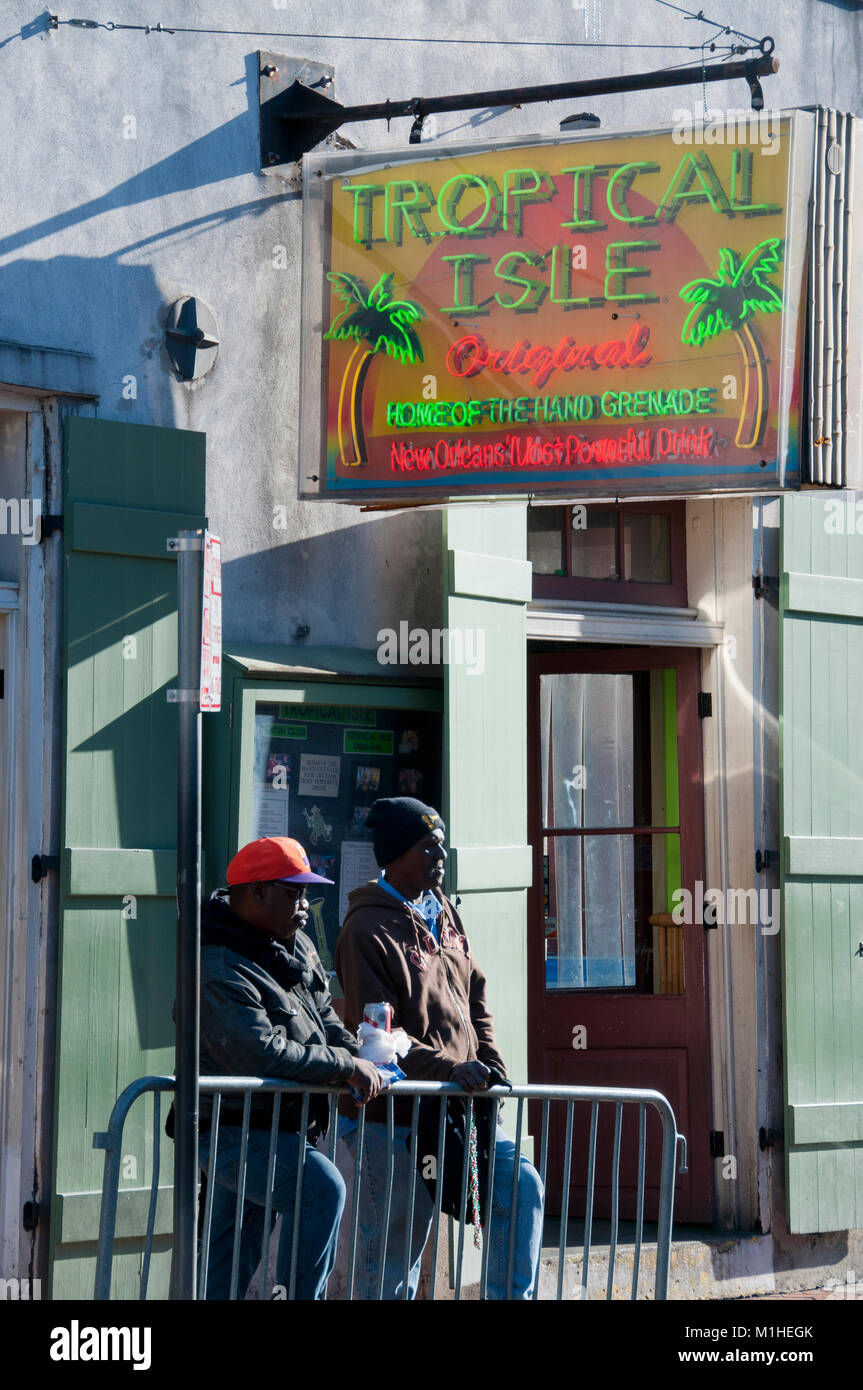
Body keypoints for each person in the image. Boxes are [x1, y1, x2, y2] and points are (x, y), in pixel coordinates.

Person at [334, 797, 544, 1300]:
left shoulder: (444, 912)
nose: (440, 856)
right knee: (394, 1255)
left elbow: (476, 995)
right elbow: (378, 1038)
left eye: (442, 846)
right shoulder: (365, 930)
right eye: (429, 847)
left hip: (459, 1109)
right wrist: (454, 1067)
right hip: (395, 1122)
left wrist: (488, 1059)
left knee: (520, 1189)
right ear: (397, 855)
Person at [197, 835, 382, 1299]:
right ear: (258, 892)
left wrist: (357, 1058)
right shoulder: (217, 961)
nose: (305, 904)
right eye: (294, 892)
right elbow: (262, 1051)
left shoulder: (295, 944)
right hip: (230, 1130)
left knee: (230, 1251)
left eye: (305, 893)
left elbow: (325, 1017)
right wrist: (345, 1068)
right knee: (320, 1189)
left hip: (280, 1125)